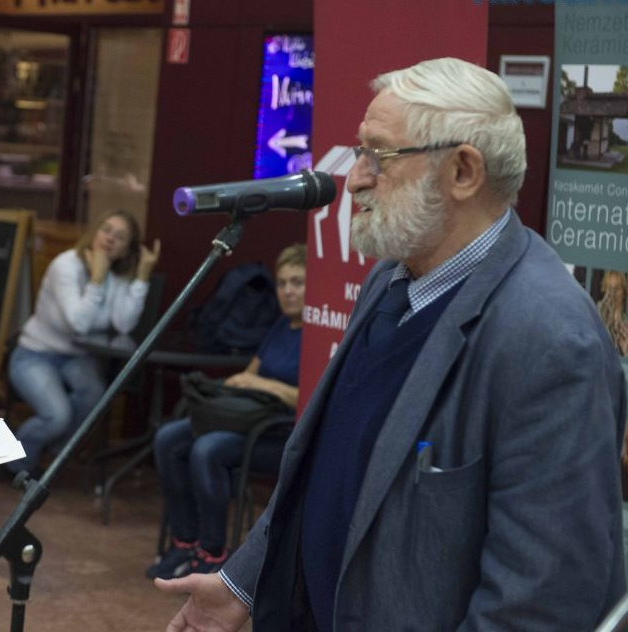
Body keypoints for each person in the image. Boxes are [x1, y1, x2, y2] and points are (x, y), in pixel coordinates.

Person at [157, 57, 627, 631]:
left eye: (379, 155)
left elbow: (540, 599)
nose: (354, 177)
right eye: (360, 152)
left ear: (463, 171)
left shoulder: (551, 340)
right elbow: (325, 466)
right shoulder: (391, 280)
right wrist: (243, 582)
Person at [148, 244, 305, 580]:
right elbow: (247, 376)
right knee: (168, 438)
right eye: (282, 283)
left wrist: (264, 385)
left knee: (207, 449)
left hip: (279, 433)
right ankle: (184, 543)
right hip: (247, 418)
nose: (287, 291)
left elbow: (308, 400)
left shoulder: (319, 334)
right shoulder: (280, 327)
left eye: (297, 282)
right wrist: (238, 385)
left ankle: (213, 552)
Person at [6, 209, 160, 477]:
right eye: (106, 230)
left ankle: (51, 456)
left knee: (95, 400)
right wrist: (96, 281)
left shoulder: (117, 273)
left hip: (77, 357)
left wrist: (141, 278)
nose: (110, 239)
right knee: (57, 416)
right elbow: (77, 323)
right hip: (35, 353)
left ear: (127, 250)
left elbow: (124, 324)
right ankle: (13, 463)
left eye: (120, 237)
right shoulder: (66, 265)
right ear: (94, 233)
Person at [597, 270, 628, 356]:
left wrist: (626, 351)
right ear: (605, 290)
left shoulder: (625, 323)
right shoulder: (596, 314)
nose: (612, 293)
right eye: (609, 288)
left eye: (617, 289)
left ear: (623, 292)